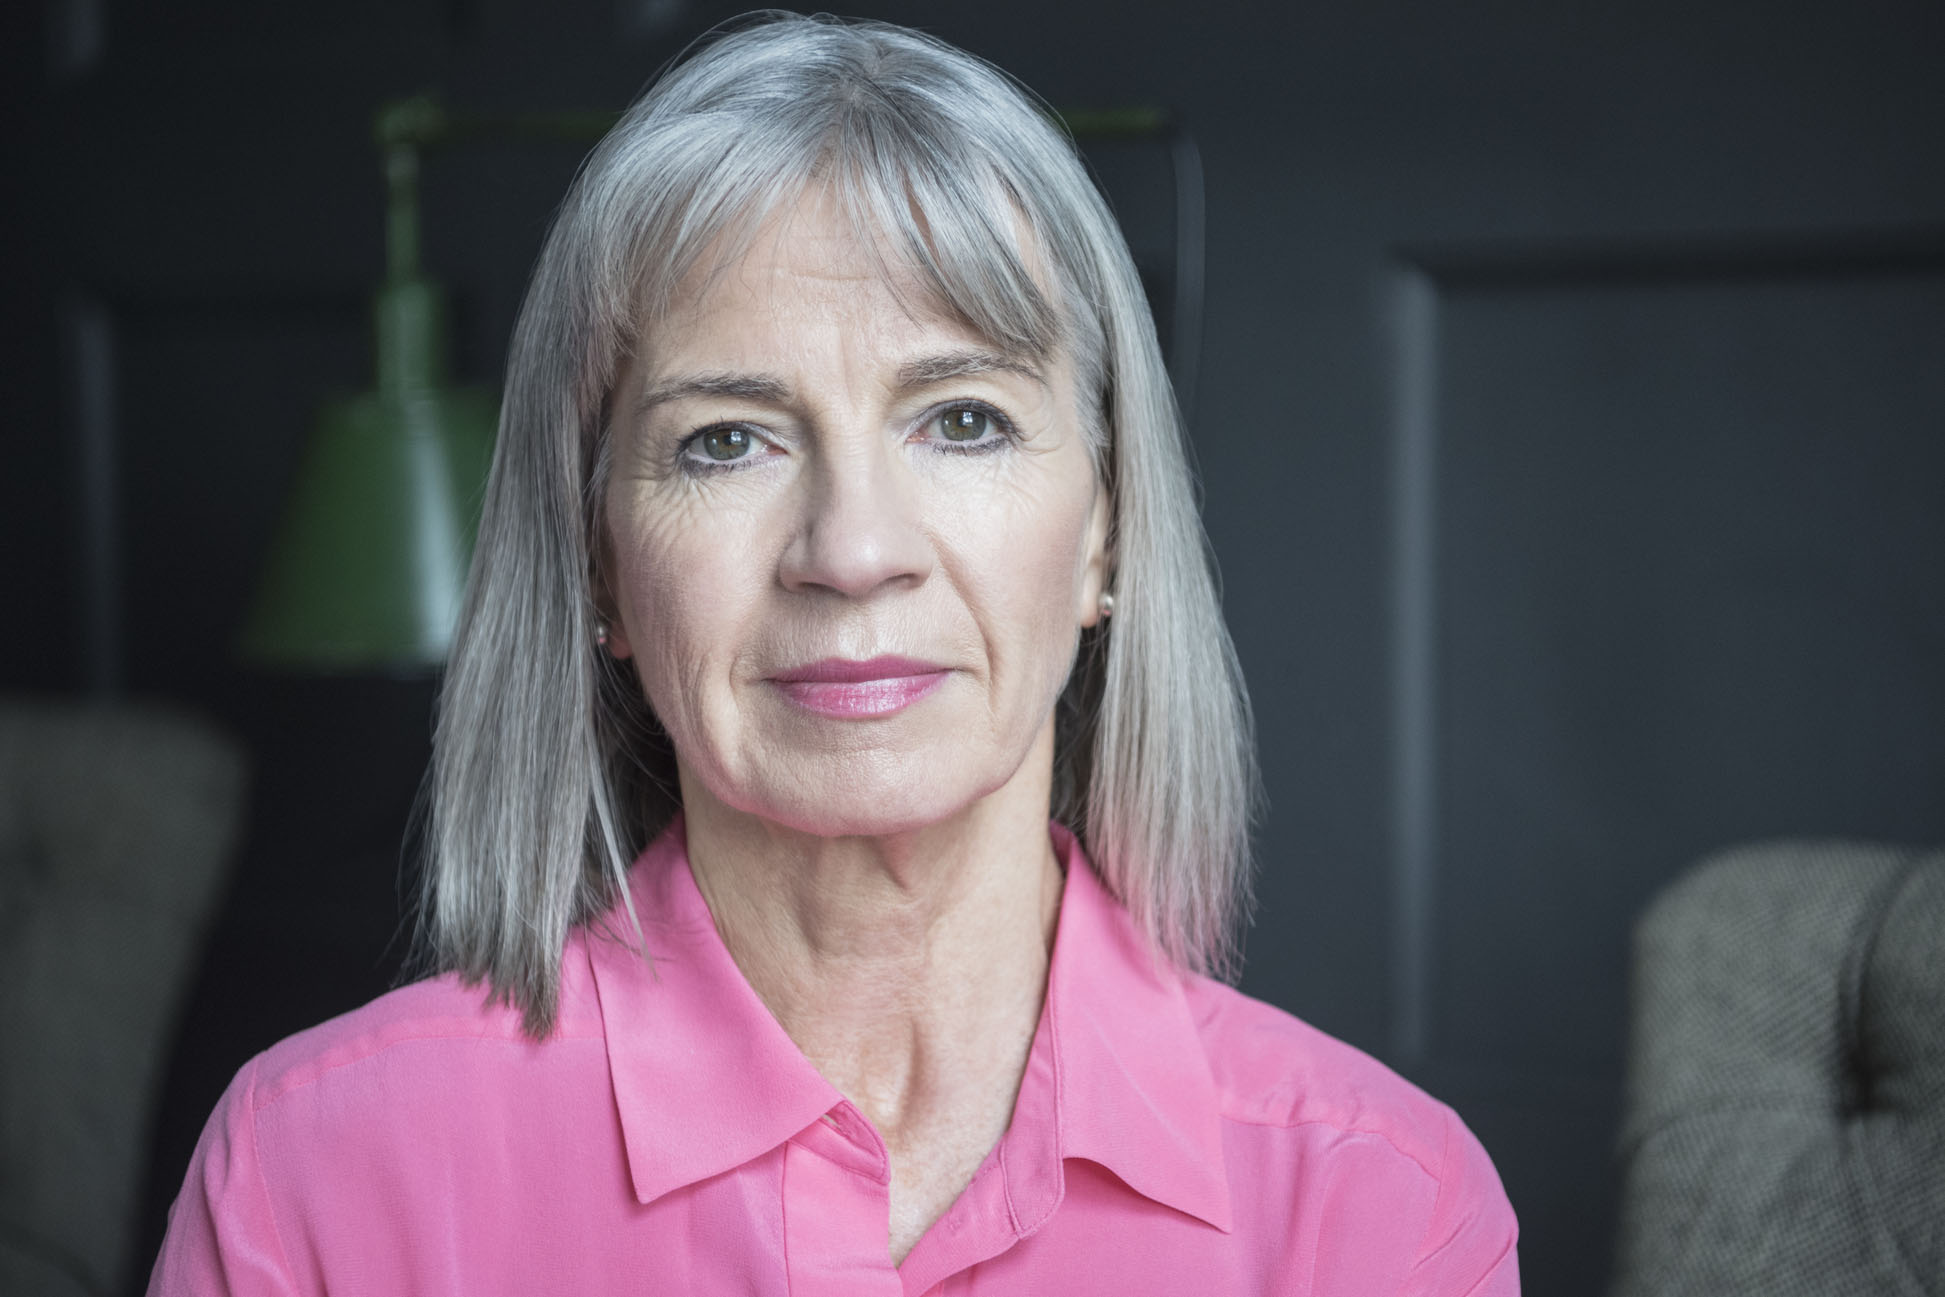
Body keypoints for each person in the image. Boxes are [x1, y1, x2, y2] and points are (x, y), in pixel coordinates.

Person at [150, 13, 1518, 1294]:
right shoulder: (317, 1174)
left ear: (1106, 533)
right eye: (726, 439)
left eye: (963, 419)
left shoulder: (1382, 1212)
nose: (852, 548)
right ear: (599, 569)